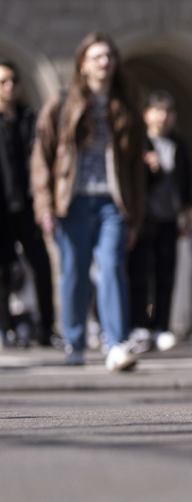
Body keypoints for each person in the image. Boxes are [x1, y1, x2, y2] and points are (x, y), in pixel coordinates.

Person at [31, 33, 146, 371]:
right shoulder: (63, 103)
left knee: (111, 268)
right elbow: (43, 157)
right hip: (73, 201)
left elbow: (136, 167)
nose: (104, 62)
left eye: (109, 55)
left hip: (113, 202)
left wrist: (136, 217)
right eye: (96, 56)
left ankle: (116, 344)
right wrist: (45, 206)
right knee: (75, 273)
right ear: (83, 64)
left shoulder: (124, 106)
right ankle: (75, 342)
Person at [126, 91, 192, 353]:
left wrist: (186, 215)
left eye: (167, 112)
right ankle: (139, 324)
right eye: (157, 110)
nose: (162, 117)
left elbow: (188, 184)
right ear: (146, 115)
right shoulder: (138, 143)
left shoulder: (179, 144)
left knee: (166, 273)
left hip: (168, 216)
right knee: (141, 273)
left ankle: (162, 326)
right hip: (142, 218)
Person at [0, 60, 55, 347]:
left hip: (28, 204)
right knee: (4, 270)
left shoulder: (29, 118)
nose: (9, 87)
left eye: (13, 81)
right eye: (3, 82)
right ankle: (6, 329)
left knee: (41, 265)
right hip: (2, 208)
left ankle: (47, 328)